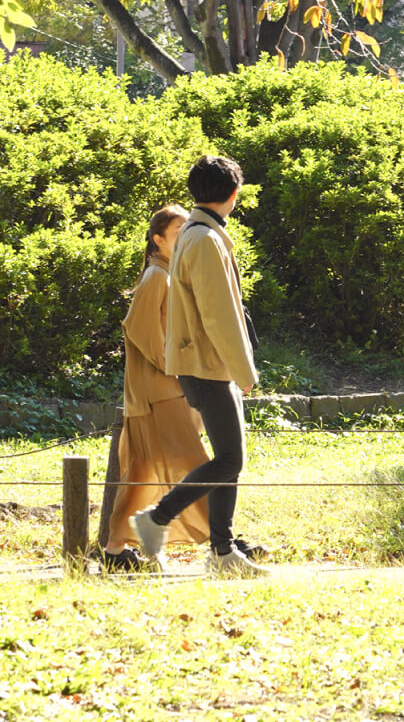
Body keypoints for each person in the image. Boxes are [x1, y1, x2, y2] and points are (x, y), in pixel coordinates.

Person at [131, 154, 266, 577]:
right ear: (233, 193)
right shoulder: (205, 239)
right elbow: (219, 314)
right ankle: (158, 518)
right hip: (209, 364)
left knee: (230, 459)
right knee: (228, 460)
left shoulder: (195, 232)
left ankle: (222, 552)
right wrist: (245, 372)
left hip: (204, 363)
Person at [102, 204, 210, 571]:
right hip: (160, 392)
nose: (186, 236)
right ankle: (224, 541)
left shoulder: (169, 275)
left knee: (142, 470)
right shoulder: (156, 278)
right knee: (198, 464)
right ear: (158, 239)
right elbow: (143, 332)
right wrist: (182, 371)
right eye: (179, 230)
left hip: (160, 391)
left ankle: (115, 549)